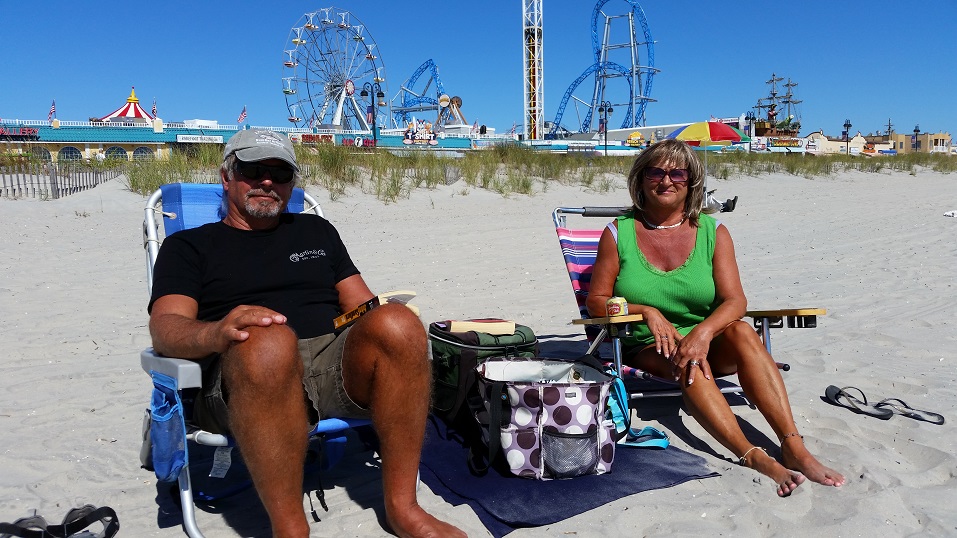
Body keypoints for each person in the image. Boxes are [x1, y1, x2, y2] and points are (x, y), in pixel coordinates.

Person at [148, 129, 465, 538]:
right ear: (226, 176)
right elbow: (166, 329)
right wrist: (218, 332)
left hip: (329, 363)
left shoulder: (316, 232)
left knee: (399, 323)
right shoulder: (189, 247)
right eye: (253, 169)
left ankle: (403, 508)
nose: (267, 181)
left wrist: (389, 317)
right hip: (242, 372)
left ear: (292, 183)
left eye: (279, 174)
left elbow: (361, 307)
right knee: (268, 341)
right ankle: (290, 528)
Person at [586, 139, 844, 497]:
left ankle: (793, 447)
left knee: (740, 331)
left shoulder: (713, 232)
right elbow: (597, 301)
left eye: (677, 172)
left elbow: (735, 300)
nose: (666, 181)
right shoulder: (618, 233)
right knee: (687, 360)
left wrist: (704, 332)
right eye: (655, 172)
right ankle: (752, 454)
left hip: (705, 340)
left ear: (691, 181)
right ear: (641, 179)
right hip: (646, 343)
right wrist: (647, 311)